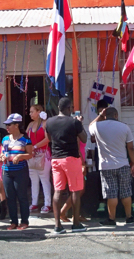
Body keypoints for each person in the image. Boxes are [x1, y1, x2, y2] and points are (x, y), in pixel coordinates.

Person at [45, 97, 88, 234]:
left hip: (56, 159)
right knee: (75, 191)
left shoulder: (49, 122)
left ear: (58, 107)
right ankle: (76, 224)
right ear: (69, 108)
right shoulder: (74, 122)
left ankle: (57, 226)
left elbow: (49, 139)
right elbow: (84, 138)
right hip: (71, 159)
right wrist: (79, 124)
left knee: (57, 191)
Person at [90, 107, 134, 226]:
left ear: (105, 115)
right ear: (116, 115)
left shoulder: (97, 126)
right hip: (123, 164)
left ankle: (111, 219)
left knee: (111, 194)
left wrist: (100, 115)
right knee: (126, 192)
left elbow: (90, 126)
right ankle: (129, 217)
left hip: (106, 166)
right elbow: (130, 148)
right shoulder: (124, 127)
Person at [1, 113, 33, 230]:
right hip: (7, 171)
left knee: (22, 196)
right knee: (10, 196)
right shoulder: (5, 139)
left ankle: (24, 221)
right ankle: (13, 221)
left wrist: (20, 156)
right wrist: (3, 156)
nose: (7, 127)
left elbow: (30, 154)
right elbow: (2, 152)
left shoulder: (25, 139)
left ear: (16, 125)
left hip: (20, 171)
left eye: (9, 125)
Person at [26, 105, 52, 214]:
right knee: (33, 179)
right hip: (32, 155)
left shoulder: (45, 124)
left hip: (43, 154)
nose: (30, 114)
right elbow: (26, 138)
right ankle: (34, 202)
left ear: (39, 112)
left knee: (44, 179)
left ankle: (48, 203)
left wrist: (35, 146)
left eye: (32, 112)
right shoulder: (31, 124)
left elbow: (48, 139)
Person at [90, 99, 110, 214]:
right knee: (100, 176)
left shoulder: (111, 120)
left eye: (104, 110)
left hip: (111, 151)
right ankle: (101, 201)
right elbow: (92, 139)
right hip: (99, 151)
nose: (102, 113)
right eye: (100, 111)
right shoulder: (96, 123)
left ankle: (110, 200)